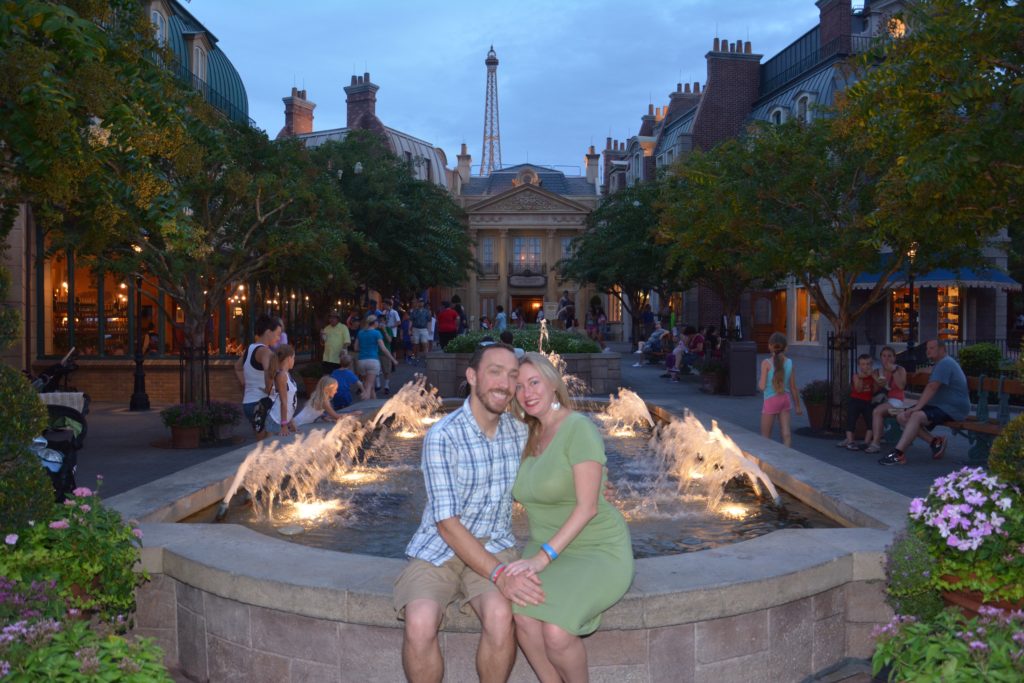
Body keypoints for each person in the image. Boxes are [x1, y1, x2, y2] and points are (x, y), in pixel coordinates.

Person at [394, 343, 544, 683]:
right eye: (495, 372)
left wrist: (595, 487)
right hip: (438, 548)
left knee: (499, 616)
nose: (504, 384)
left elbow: (554, 475)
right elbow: (446, 524)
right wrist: (500, 575)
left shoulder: (520, 433)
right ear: (472, 376)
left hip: (494, 543)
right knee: (419, 623)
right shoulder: (443, 435)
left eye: (512, 376)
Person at [504, 352, 634, 682]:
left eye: (534, 382)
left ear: (552, 384)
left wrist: (542, 560)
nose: (527, 393)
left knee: (558, 633)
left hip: (596, 548)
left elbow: (588, 507)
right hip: (543, 545)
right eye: (518, 387)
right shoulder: (526, 434)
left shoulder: (578, 427)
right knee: (523, 618)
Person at [879, 339, 969, 466]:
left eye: (932, 348)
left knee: (915, 415)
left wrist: (917, 408)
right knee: (902, 417)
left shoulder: (945, 363)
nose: (927, 351)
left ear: (942, 350)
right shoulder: (941, 364)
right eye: (927, 348)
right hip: (939, 405)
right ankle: (935, 442)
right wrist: (924, 370)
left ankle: (898, 453)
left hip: (953, 408)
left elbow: (932, 387)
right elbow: (934, 372)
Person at [234, 314, 282, 432]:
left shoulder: (250, 349)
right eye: (277, 334)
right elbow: (269, 371)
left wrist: (245, 384)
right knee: (271, 443)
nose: (279, 338)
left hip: (248, 403)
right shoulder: (266, 352)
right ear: (268, 332)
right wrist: (269, 389)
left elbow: (237, 367)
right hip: (262, 404)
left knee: (261, 442)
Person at [758, 332, 802, 447]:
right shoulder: (790, 363)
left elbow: (762, 386)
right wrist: (797, 406)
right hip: (785, 400)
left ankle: (766, 461)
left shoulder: (766, 363)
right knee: (786, 434)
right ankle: (786, 458)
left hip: (770, 400)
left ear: (769, 346)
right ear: (786, 347)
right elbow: (793, 387)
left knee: (765, 437)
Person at [864, 346, 908, 454]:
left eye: (889, 356)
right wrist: (875, 380)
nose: (886, 358)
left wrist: (893, 371)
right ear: (881, 358)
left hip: (897, 405)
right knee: (864, 406)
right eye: (884, 356)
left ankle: (875, 443)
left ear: (894, 358)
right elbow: (874, 391)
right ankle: (858, 439)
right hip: (882, 401)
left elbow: (901, 386)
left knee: (877, 411)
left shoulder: (900, 369)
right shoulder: (878, 371)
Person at [836, 354, 878, 450]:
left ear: (872, 365)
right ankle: (850, 441)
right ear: (859, 366)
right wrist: (862, 377)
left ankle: (866, 442)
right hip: (855, 400)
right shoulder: (856, 376)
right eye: (863, 364)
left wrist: (874, 378)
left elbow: (875, 390)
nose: (866, 367)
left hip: (867, 401)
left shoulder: (873, 376)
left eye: (868, 364)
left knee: (870, 422)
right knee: (851, 420)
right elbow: (858, 389)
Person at [354, 315, 398, 401]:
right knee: (369, 387)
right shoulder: (377, 333)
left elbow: (356, 348)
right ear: (374, 323)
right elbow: (383, 349)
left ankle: (374, 405)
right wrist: (393, 359)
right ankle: (365, 404)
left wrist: (364, 348)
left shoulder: (360, 332)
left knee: (371, 386)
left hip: (361, 361)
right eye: (377, 322)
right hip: (372, 360)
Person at [265, 344, 298, 437]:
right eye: (293, 358)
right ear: (288, 358)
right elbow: (283, 401)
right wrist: (284, 425)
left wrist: (290, 420)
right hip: (276, 421)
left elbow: (290, 400)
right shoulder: (282, 376)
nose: (294, 361)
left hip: (281, 420)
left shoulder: (286, 374)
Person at [409, 299, 432, 363]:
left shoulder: (427, 312)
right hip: (415, 329)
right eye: (419, 302)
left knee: (424, 343)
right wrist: (409, 329)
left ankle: (426, 358)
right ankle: (415, 357)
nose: (420, 303)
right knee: (415, 344)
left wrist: (429, 329)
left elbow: (429, 321)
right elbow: (411, 320)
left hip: (424, 329)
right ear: (418, 303)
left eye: (422, 302)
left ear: (423, 303)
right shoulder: (414, 311)